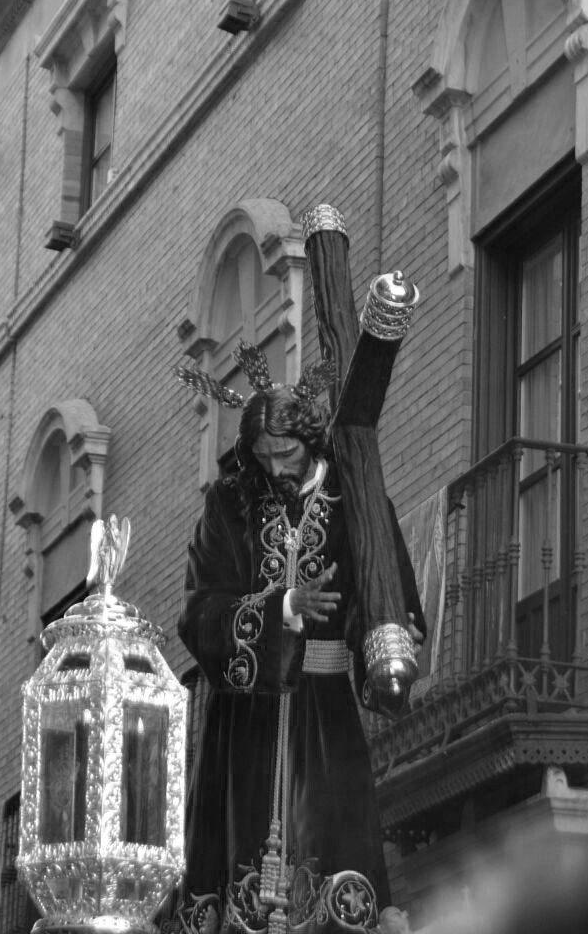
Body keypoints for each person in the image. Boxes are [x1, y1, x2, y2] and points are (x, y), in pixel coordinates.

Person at [175, 377, 424, 934]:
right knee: (241, 879)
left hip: (325, 717)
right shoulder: (229, 504)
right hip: (247, 723)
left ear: (309, 440)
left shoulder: (357, 501)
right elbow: (197, 611)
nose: (275, 469)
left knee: (333, 865)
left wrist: (388, 635)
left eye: (286, 453)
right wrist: (284, 607)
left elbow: (389, 595)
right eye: (263, 457)